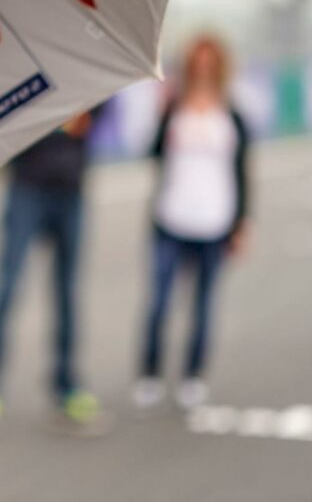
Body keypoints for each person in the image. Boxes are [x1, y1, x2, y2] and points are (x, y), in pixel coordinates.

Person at [0, 109, 111, 434]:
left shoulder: (89, 73)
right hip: (26, 187)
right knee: (7, 287)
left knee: (67, 294)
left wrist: (88, 116)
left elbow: (103, 109)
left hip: (71, 189)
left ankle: (67, 386)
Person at [133, 35, 249, 411]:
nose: (202, 69)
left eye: (209, 62)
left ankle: (192, 376)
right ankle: (150, 372)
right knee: (159, 303)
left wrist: (242, 221)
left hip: (215, 222)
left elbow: (242, 172)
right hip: (172, 218)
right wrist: (161, 115)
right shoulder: (174, 109)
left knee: (203, 307)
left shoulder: (232, 114)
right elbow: (151, 153)